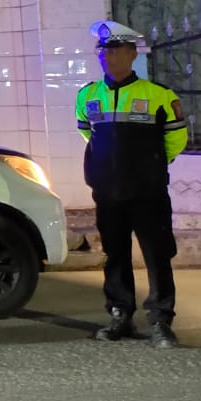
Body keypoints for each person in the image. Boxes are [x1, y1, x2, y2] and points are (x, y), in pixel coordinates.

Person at [76, 20, 189, 348]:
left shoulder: (159, 95)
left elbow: (175, 140)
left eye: (114, 50)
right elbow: (87, 133)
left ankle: (160, 319)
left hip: (147, 192)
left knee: (157, 255)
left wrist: (150, 167)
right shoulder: (87, 94)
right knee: (115, 254)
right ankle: (120, 313)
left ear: (131, 54)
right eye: (102, 51)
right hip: (108, 192)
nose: (107, 57)